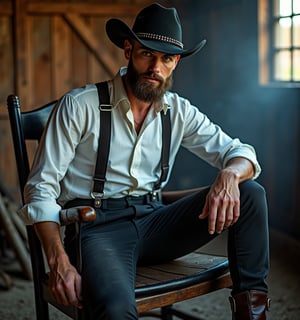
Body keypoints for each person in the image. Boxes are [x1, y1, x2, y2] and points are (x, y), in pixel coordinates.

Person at [19, 3, 270, 320]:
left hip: (156, 222)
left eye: (166, 58)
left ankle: (253, 314)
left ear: (175, 62)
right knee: (114, 309)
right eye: (147, 53)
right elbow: (40, 189)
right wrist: (58, 261)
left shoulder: (178, 111)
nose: (156, 67)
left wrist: (230, 176)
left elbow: (242, 153)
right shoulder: (79, 106)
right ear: (128, 49)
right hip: (97, 229)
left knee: (251, 194)